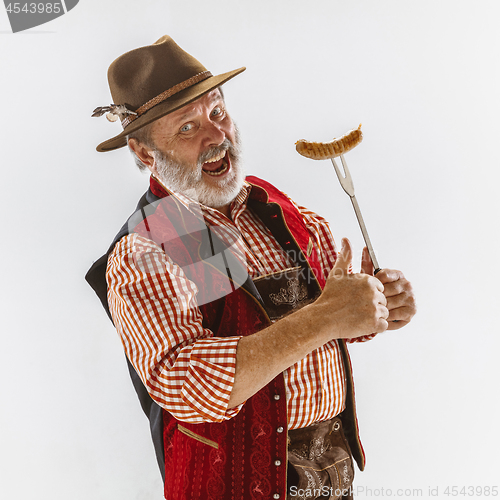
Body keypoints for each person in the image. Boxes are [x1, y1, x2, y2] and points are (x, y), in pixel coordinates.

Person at [86, 35, 416, 500]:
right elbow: (189, 383)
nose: (216, 135)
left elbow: (325, 311)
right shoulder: (150, 245)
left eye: (216, 112)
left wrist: (373, 304)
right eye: (187, 128)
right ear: (144, 153)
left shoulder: (274, 205)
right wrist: (327, 317)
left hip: (331, 476)